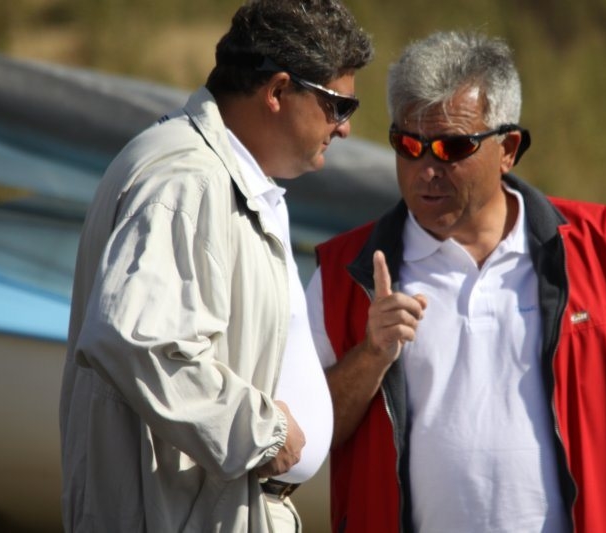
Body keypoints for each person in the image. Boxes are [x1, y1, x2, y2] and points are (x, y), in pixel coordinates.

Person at [306, 30, 606, 533]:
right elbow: (307, 431)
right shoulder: (343, 273)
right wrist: (371, 355)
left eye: (452, 147)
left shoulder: (597, 246)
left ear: (508, 149)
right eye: (408, 145)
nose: (427, 169)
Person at [59, 1, 372, 531]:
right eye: (338, 106)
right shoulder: (188, 179)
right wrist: (262, 432)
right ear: (277, 91)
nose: (343, 128)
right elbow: (136, 341)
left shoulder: (220, 174)